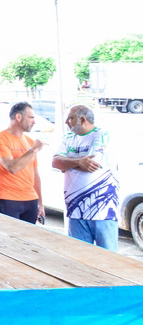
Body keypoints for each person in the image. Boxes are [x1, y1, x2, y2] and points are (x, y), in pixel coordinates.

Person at [52, 105, 120, 251]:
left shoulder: (102, 135)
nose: (66, 122)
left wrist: (67, 163)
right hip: (75, 210)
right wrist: (78, 162)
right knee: (80, 256)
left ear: (82, 120)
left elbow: (92, 164)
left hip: (102, 210)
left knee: (108, 258)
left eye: (70, 118)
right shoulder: (68, 138)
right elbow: (55, 162)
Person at [0, 102, 45, 225]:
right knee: (9, 236)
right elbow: (12, 167)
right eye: (31, 117)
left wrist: (41, 203)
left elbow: (35, 175)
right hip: (8, 198)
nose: (34, 122)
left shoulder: (30, 141)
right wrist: (33, 150)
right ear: (19, 117)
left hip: (31, 198)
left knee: (28, 236)